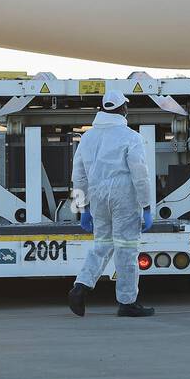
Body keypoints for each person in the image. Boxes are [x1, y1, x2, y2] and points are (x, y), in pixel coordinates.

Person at [68, 91, 155, 318]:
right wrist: (146, 207)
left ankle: (80, 287)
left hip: (97, 197)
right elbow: (140, 174)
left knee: (102, 245)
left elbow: (78, 176)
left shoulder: (87, 138)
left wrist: (82, 207)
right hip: (124, 197)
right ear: (122, 109)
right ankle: (127, 303)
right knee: (126, 249)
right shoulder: (130, 137)